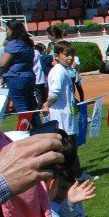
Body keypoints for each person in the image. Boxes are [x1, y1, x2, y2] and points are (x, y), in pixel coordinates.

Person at [42, 42, 82, 177]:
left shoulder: (64, 69)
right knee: (67, 146)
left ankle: (73, 172)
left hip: (68, 113)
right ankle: (72, 174)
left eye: (72, 55)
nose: (70, 58)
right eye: (66, 55)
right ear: (56, 56)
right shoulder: (58, 70)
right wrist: (47, 104)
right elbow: (55, 91)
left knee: (71, 144)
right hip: (62, 115)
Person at [0, 21, 37, 114]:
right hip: (29, 76)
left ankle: (24, 128)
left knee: (22, 108)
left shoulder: (13, 43)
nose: (6, 32)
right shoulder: (28, 42)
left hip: (15, 77)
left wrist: (0, 74)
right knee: (31, 107)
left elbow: (3, 63)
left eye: (7, 29)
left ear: (13, 30)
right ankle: (38, 127)